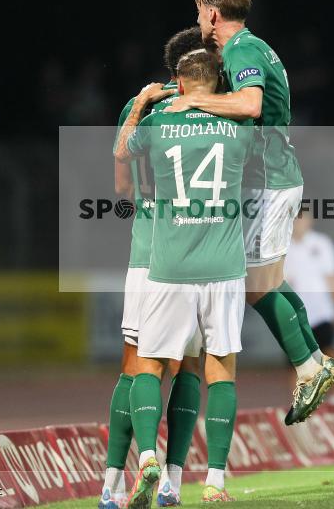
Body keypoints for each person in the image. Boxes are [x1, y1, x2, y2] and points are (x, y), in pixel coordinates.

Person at [168, 0, 334, 425]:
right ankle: (315, 360)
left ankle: (307, 365)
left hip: (269, 181)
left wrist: (192, 102)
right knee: (269, 281)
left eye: (199, 12)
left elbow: (249, 104)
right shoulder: (253, 47)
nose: (198, 21)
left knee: (255, 286)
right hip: (274, 177)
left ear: (212, 13)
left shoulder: (242, 49)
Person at [115, 49, 253, 505]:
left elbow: (121, 153)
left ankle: (147, 458)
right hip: (224, 267)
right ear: (218, 80)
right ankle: (214, 481)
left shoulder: (157, 122)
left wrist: (141, 102)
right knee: (220, 370)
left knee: (150, 364)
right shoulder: (239, 125)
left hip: (169, 266)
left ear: (178, 78)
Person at [100, 27, 207, 509]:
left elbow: (122, 185)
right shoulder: (211, 109)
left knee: (135, 367)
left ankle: (112, 484)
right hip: (198, 254)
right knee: (188, 366)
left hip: (146, 253)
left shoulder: (138, 106)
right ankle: (172, 481)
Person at [283, 211, 334, 406]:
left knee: (330, 353)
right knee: (296, 359)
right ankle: (300, 403)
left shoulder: (322, 243)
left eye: (302, 217)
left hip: (322, 311)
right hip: (295, 314)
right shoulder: (282, 247)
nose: (298, 222)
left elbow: (332, 279)